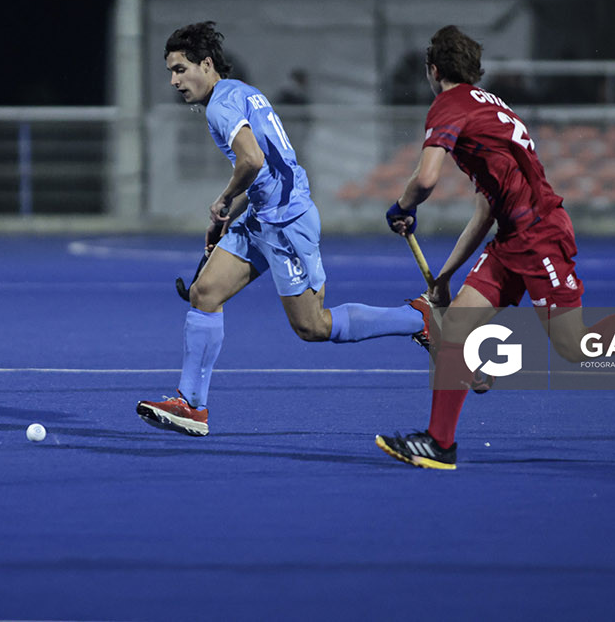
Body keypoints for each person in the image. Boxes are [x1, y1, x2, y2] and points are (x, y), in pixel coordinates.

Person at [375, 25, 615, 470]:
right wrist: (447, 276)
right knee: (454, 328)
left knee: (576, 347)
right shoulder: (490, 109)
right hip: (512, 239)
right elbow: (486, 210)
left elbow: (426, 178)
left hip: (539, 237)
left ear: (433, 70)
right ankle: (440, 444)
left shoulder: (448, 105)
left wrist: (402, 205)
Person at [136, 22, 434, 436]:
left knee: (312, 327)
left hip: (287, 223)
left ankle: (417, 319)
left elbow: (253, 160)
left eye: (181, 69)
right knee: (205, 293)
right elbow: (267, 167)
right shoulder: (241, 91)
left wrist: (223, 200)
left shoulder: (221, 106)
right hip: (262, 215)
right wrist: (231, 212)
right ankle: (191, 405)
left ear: (206, 64)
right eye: (171, 72)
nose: (174, 81)